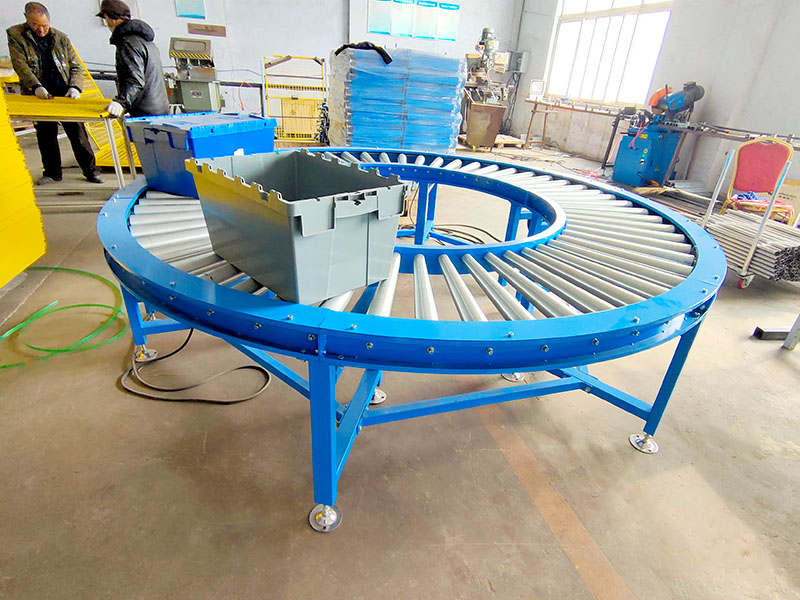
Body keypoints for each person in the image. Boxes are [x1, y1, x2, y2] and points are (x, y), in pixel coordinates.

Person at [6, 2, 102, 185]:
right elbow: (20, 65)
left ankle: (91, 171)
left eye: (44, 25)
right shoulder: (16, 35)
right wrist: (36, 86)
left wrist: (75, 87)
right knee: (45, 133)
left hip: (63, 91)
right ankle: (52, 173)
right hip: (39, 93)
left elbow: (76, 66)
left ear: (49, 21)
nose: (41, 30)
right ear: (26, 20)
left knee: (77, 133)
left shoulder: (61, 38)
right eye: (35, 25)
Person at [96, 0, 169, 118]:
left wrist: (121, 102)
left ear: (109, 18)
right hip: (159, 109)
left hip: (145, 114)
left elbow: (135, 80)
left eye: (106, 19)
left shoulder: (128, 43)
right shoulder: (145, 40)